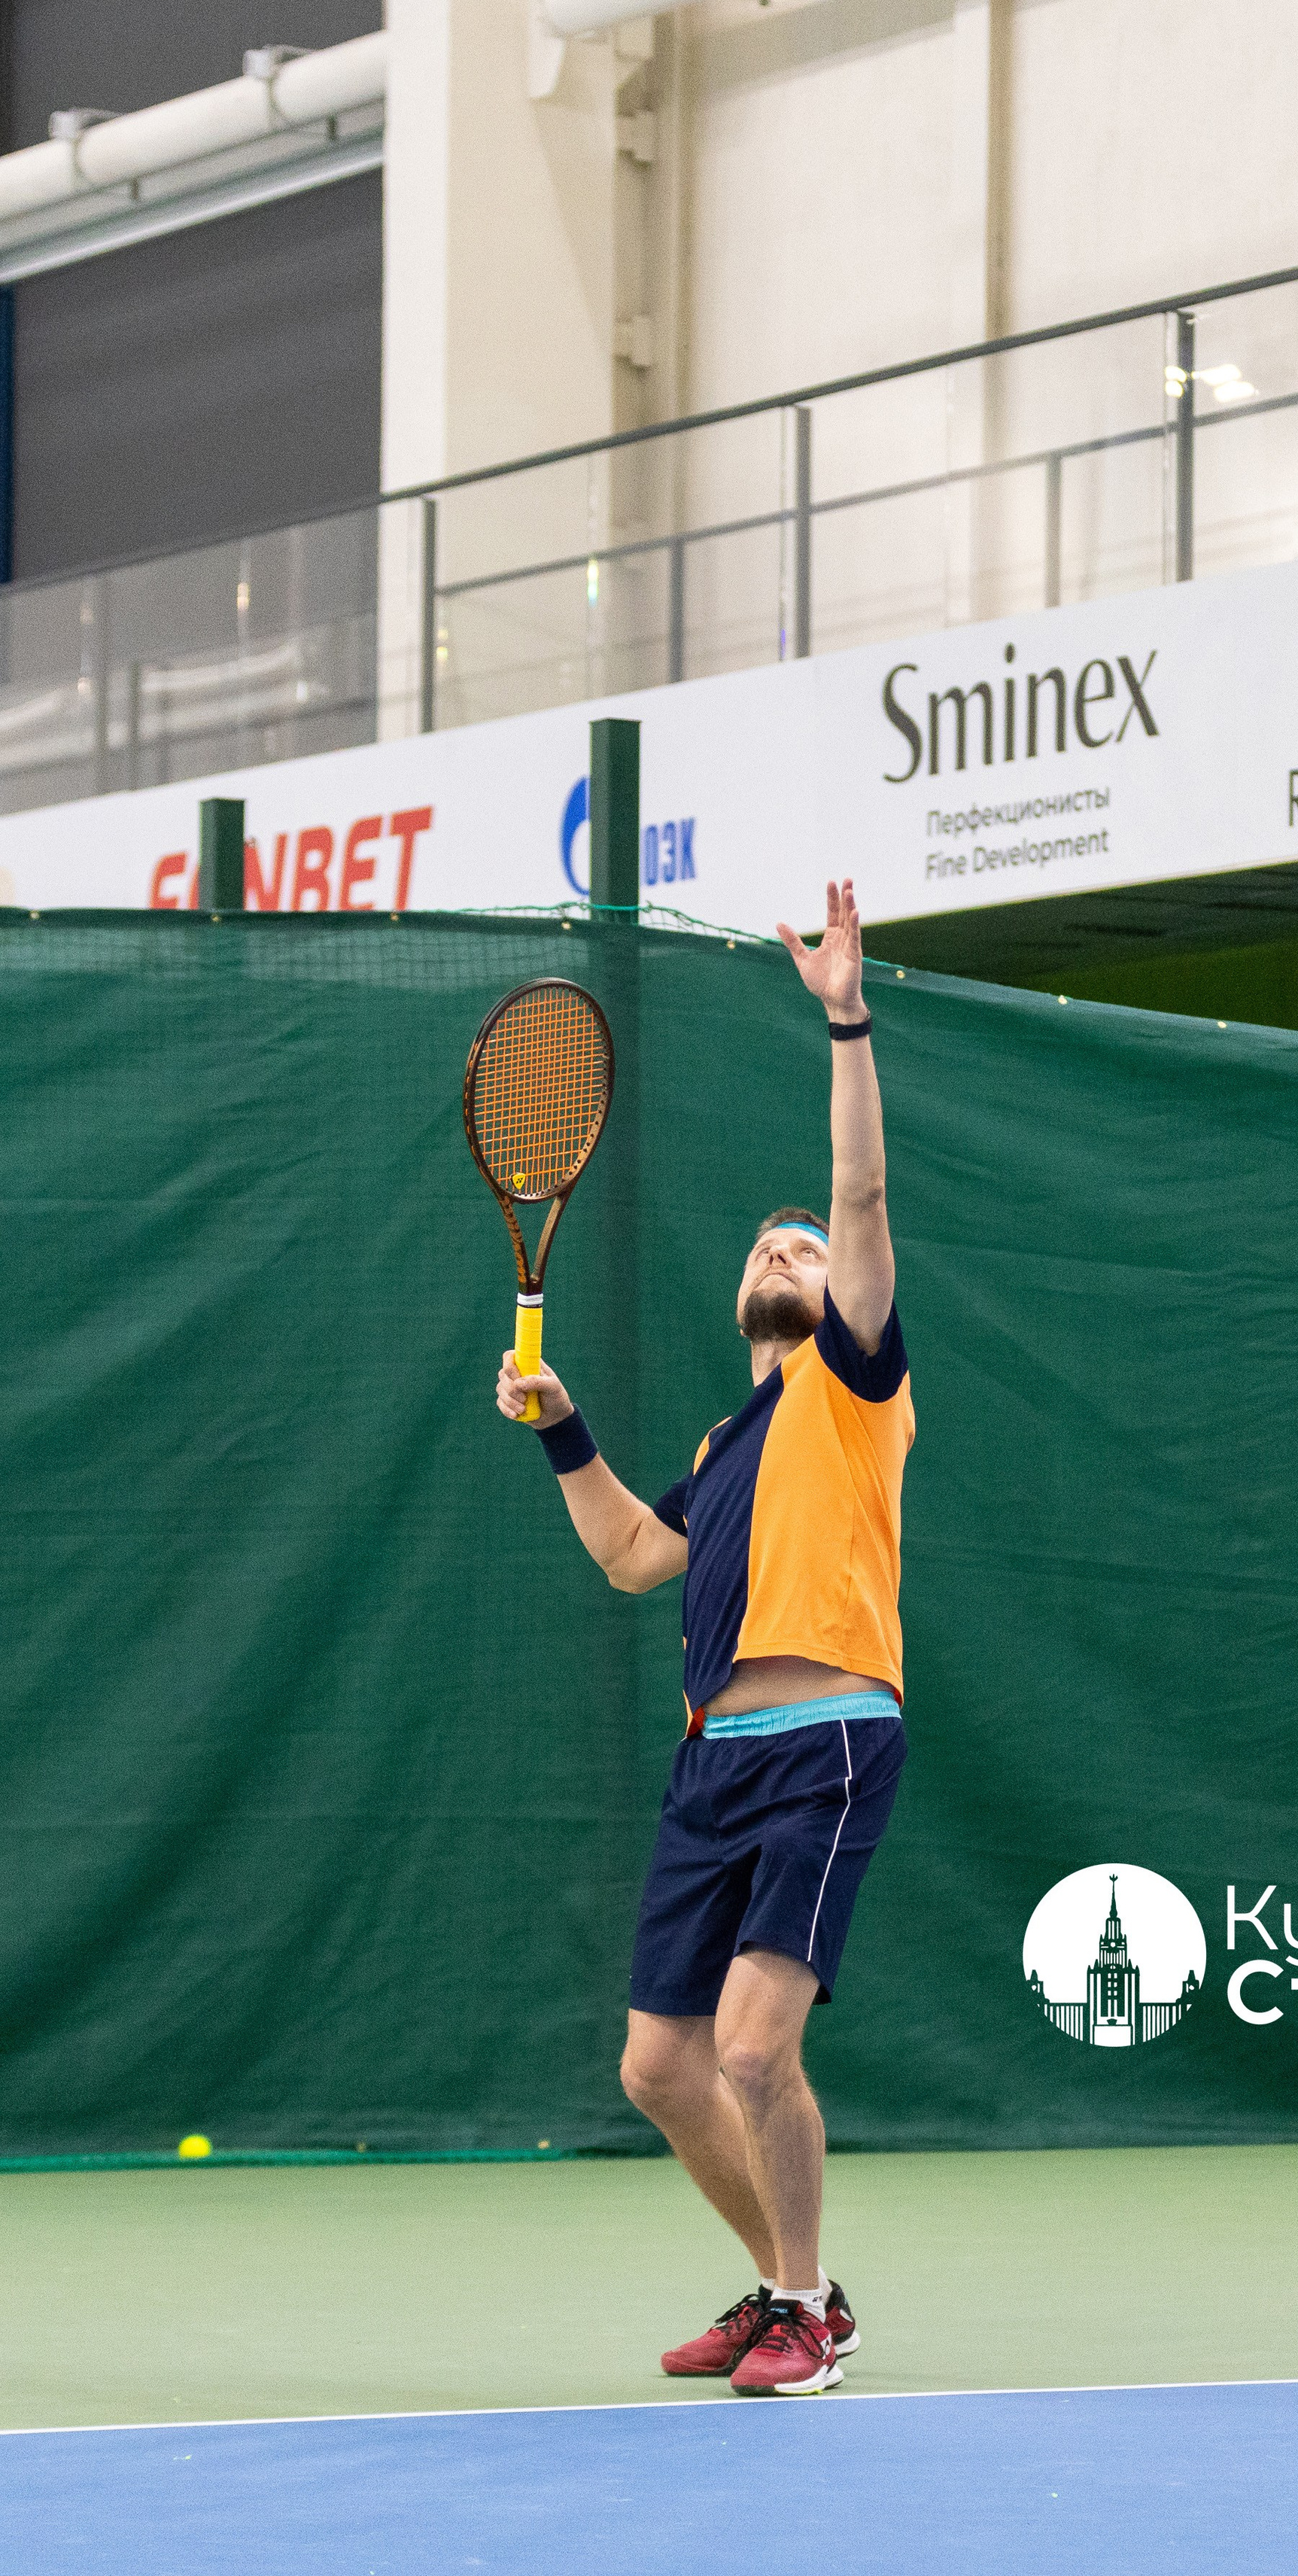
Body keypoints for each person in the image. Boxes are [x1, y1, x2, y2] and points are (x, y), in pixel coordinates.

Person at [497, 874, 913, 2398]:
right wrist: (562, 1431)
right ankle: (790, 2289)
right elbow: (628, 1553)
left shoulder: (853, 1389)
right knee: (659, 2067)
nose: (784, 1250)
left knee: (750, 2048)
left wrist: (844, 1017)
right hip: (711, 1761)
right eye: (766, 1248)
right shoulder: (725, 1439)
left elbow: (857, 1202)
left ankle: (804, 2313)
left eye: (799, 1248)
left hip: (827, 1743)